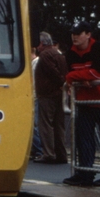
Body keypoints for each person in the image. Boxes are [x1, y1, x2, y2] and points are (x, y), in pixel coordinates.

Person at [63, 21, 100, 187]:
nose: (75, 36)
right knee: (84, 139)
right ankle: (85, 174)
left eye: (79, 33)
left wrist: (77, 77)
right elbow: (70, 74)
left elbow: (97, 73)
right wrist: (82, 77)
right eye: (73, 33)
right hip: (86, 101)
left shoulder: (98, 48)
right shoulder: (71, 53)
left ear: (88, 34)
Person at [33, 32, 69, 164]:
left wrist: (59, 82)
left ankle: (48, 153)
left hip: (47, 94)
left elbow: (52, 71)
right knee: (59, 125)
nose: (37, 47)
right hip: (59, 93)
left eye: (38, 43)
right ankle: (61, 153)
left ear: (42, 43)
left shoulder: (44, 55)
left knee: (45, 124)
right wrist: (63, 85)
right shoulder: (58, 53)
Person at [29, 48, 43, 160]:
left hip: (34, 96)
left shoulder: (35, 63)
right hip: (34, 96)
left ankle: (39, 150)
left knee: (34, 125)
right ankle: (36, 150)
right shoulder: (33, 63)